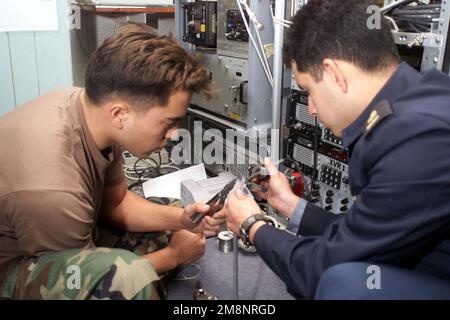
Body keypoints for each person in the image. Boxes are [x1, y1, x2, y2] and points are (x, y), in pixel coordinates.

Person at [223, 0, 450, 299]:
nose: (312, 110)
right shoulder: (417, 100)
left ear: (334, 74)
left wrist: (253, 225)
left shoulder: (419, 141)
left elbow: (326, 268)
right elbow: (367, 233)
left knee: (346, 284)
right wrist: (291, 205)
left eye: (309, 91)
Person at [0, 23, 224, 300]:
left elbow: (116, 202)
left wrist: (182, 219)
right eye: (169, 122)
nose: (174, 133)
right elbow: (82, 277)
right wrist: (173, 256)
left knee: (171, 212)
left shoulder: (93, 112)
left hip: (67, 238)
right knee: (128, 278)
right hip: (16, 267)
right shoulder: (54, 189)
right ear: (120, 114)